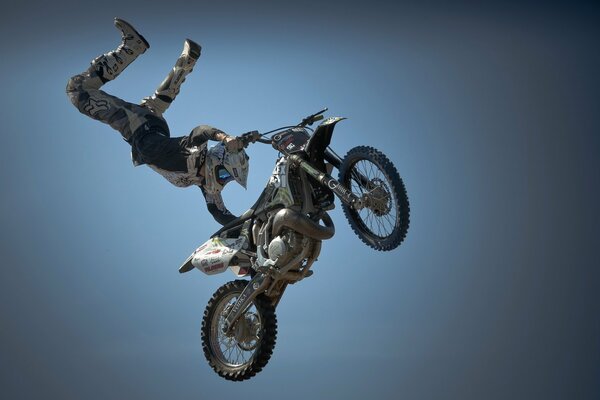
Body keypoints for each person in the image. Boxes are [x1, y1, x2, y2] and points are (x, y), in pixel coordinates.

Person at [66, 18, 249, 225]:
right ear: (217, 161)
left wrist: (249, 224)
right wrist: (225, 137)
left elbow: (219, 213)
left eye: (227, 179)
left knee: (155, 104)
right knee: (77, 90)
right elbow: (201, 131)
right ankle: (131, 48)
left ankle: (186, 62)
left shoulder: (205, 183)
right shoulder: (194, 154)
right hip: (140, 129)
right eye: (226, 176)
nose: (223, 183)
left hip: (152, 127)